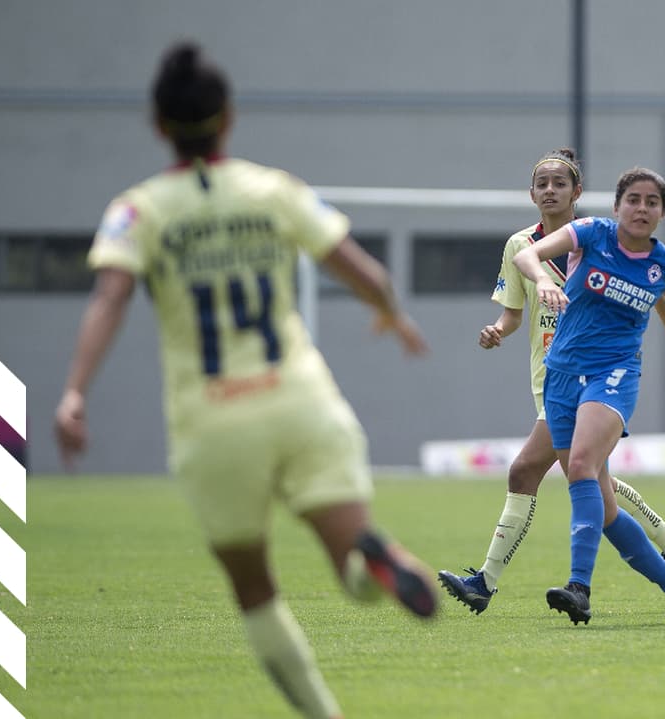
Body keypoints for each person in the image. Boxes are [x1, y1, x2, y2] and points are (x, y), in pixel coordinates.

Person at [52, 42, 437, 719]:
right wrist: (392, 316)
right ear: (228, 118)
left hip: (213, 420)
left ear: (158, 125)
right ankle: (379, 561)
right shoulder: (273, 190)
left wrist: (75, 390)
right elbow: (365, 273)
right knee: (349, 558)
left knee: (255, 590)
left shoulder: (140, 209)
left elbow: (109, 298)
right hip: (299, 399)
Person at [437, 149, 665, 614]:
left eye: (561, 183)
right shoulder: (523, 245)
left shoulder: (597, 237)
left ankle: (490, 582)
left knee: (554, 470)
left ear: (578, 193)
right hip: (552, 374)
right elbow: (514, 312)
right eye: (543, 183)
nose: (551, 190)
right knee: (593, 478)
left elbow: (660, 294)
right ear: (532, 193)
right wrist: (499, 329)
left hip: (602, 375)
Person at [511, 166, 665, 625]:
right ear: (616, 206)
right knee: (602, 508)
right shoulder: (590, 234)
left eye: (652, 202)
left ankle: (579, 587)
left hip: (614, 373)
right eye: (633, 199)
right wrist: (544, 280)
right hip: (561, 375)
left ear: (663, 212)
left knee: (581, 465)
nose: (641, 208)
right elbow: (529, 253)